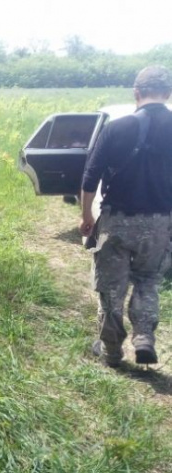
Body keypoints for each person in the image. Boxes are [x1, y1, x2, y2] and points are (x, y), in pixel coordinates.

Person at [80, 66, 172, 367]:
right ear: (168, 94)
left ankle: (111, 352)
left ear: (136, 93)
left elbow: (89, 178)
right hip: (160, 223)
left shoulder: (116, 129)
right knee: (147, 281)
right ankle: (144, 336)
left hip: (117, 221)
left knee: (110, 289)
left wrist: (86, 218)